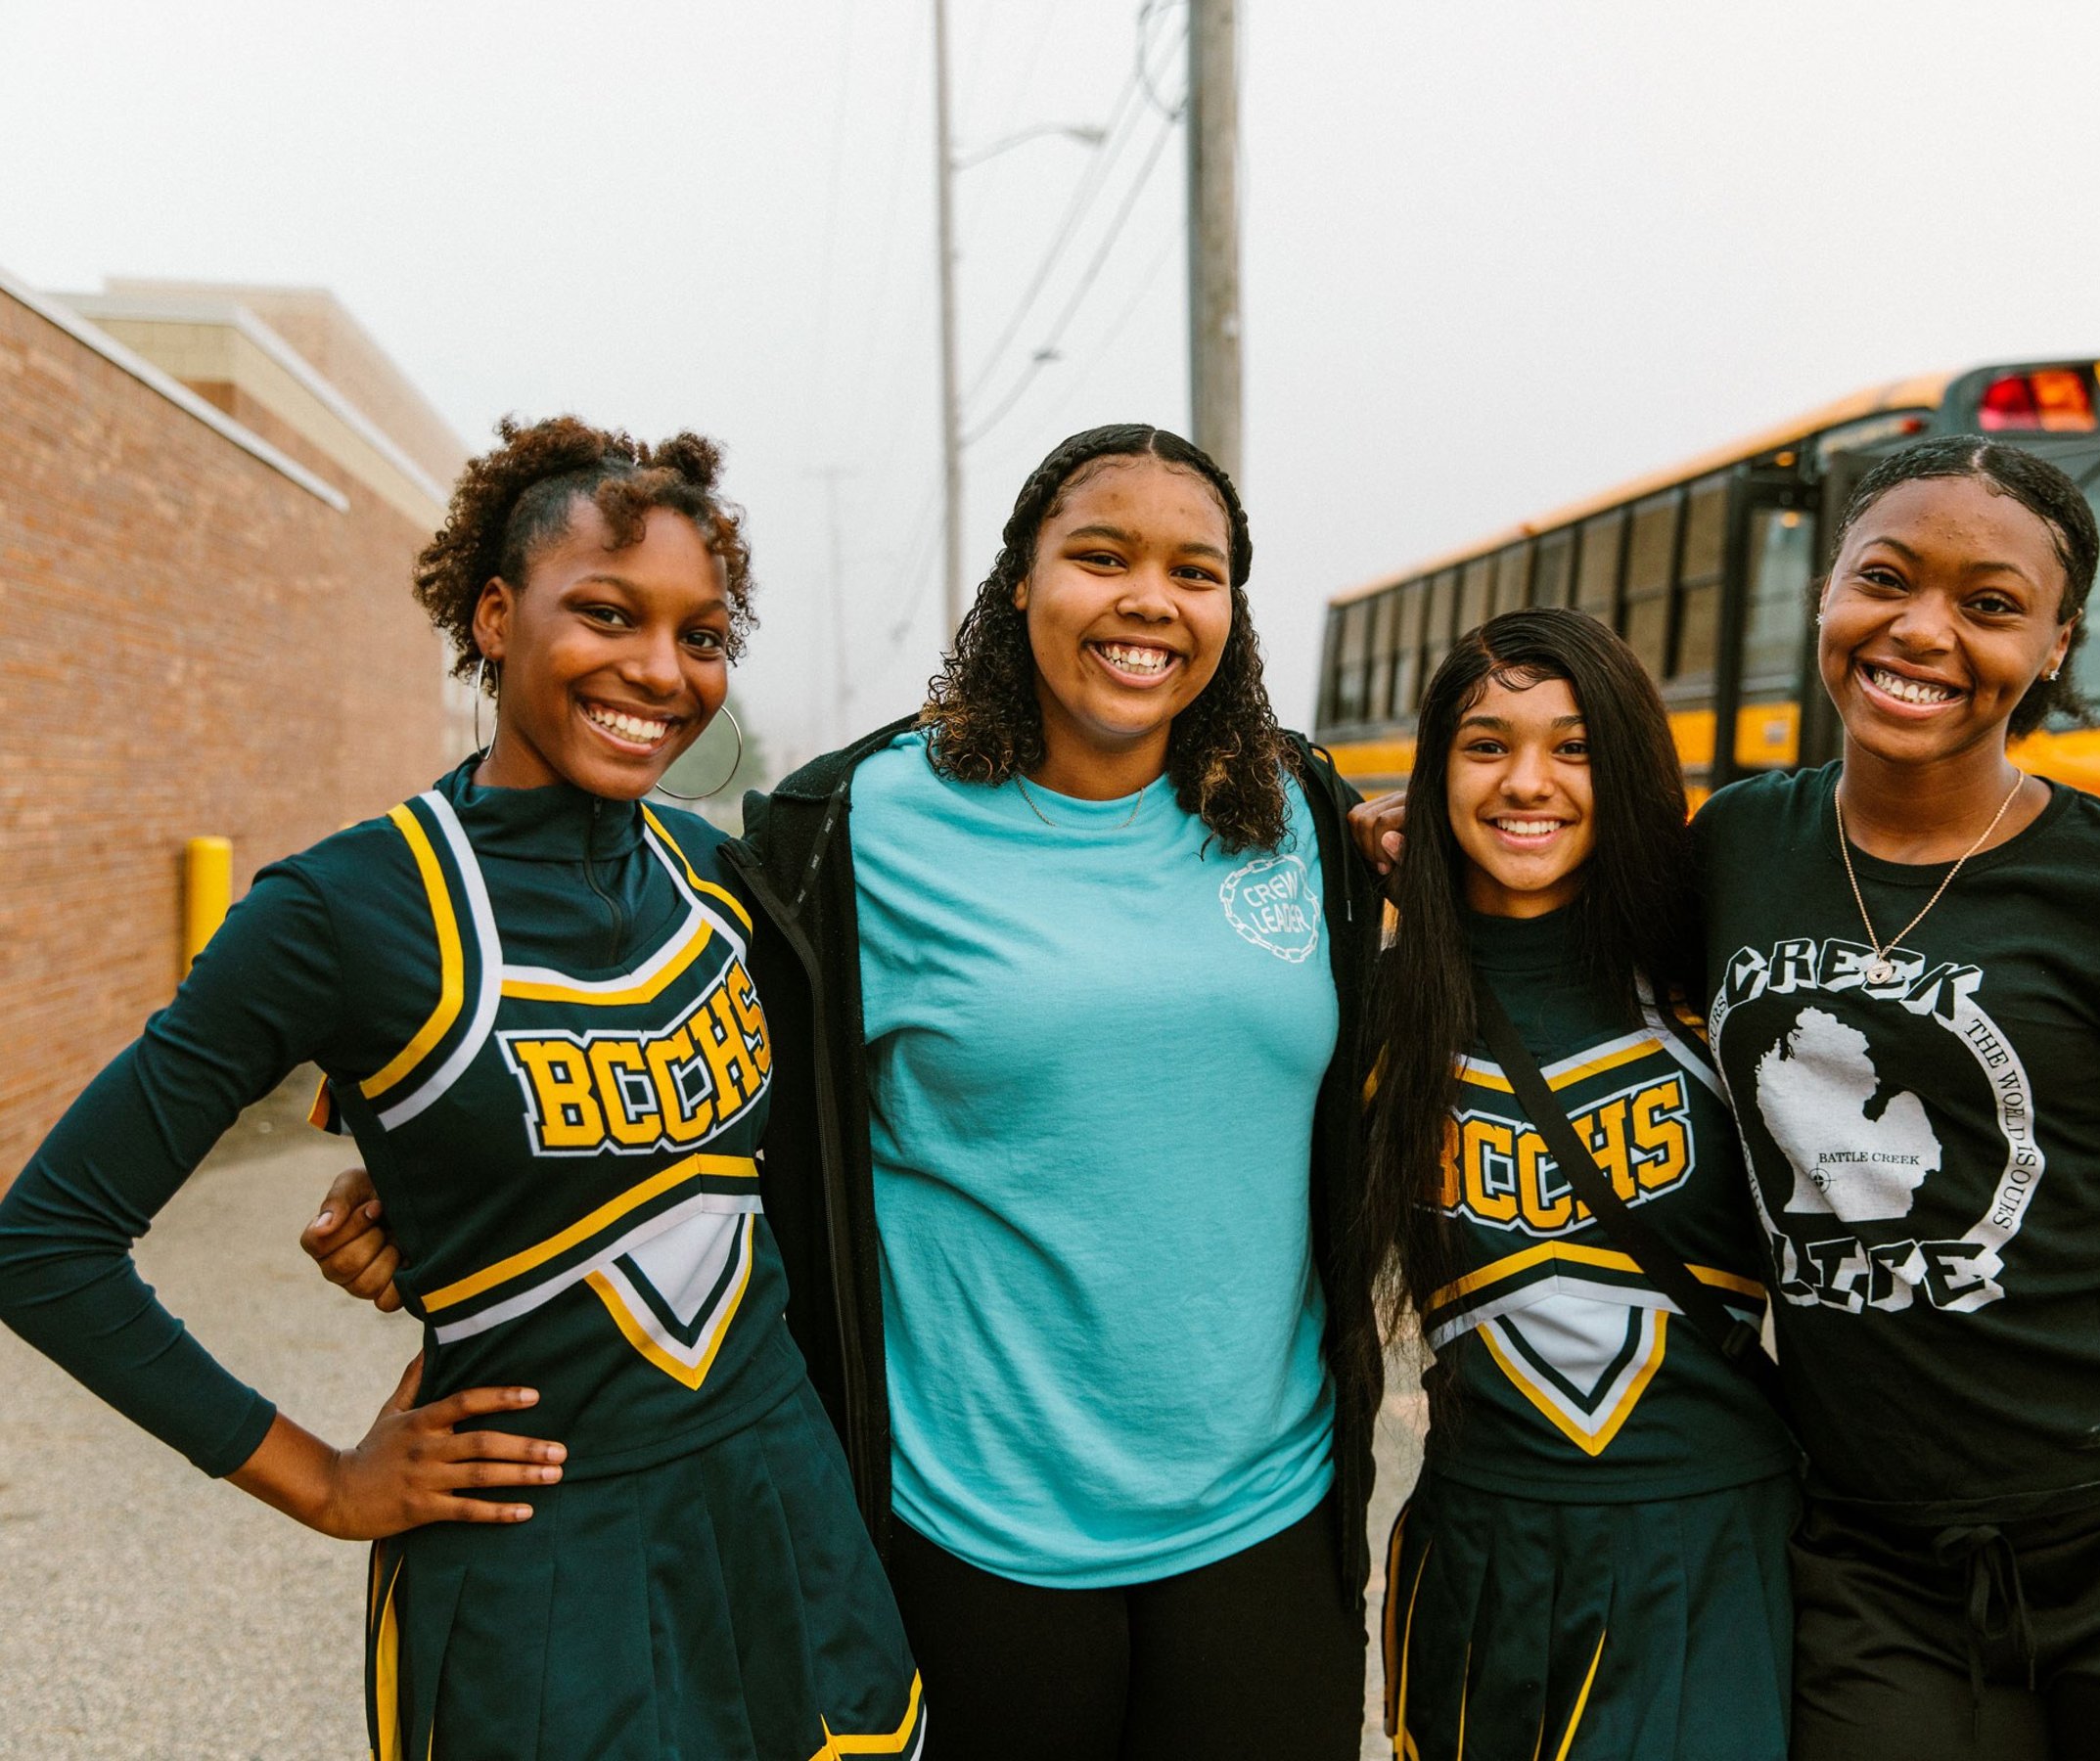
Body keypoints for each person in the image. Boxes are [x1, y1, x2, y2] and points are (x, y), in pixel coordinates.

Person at [309, 422, 1386, 1759]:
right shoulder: (855, 829)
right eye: (1098, 557)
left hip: (1269, 1520)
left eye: (1197, 570)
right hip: (967, 1531)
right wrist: (446, 1175)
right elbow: (658, 1036)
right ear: (1019, 581)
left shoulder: (1303, 816)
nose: (1149, 601)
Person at [0, 417, 923, 1759]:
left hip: (782, 1506)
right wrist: (322, 1482)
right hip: (546, 1563)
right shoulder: (344, 908)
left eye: (703, 636)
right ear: (495, 616)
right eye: (606, 614)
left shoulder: (716, 880)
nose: (659, 672)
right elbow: (45, 1241)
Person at [1694, 436, 2100, 1757]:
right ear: (1827, 592)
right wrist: (1382, 838)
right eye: (1886, 578)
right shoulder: (1734, 849)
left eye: (1990, 605)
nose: (1922, 631)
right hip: (1881, 1570)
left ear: (2055, 647)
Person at [1354, 609, 1800, 1761]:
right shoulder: (1375, 1010)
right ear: (1434, 773)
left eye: (1575, 746)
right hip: (1477, 1557)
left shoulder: (1718, 982)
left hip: (1713, 1547)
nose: (1527, 783)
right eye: (1487, 744)